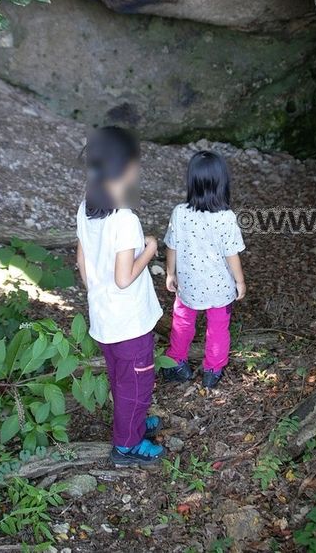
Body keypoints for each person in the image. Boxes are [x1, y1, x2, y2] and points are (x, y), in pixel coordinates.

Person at [75, 127, 165, 466]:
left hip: (104, 317)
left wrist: (96, 291)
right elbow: (125, 277)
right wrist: (151, 248)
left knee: (120, 378)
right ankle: (128, 444)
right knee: (137, 384)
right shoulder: (125, 220)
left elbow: (81, 260)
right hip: (129, 323)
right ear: (126, 167)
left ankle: (133, 422)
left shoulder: (86, 209)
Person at [162, 150, 246, 389]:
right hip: (220, 289)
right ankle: (212, 370)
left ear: (192, 181)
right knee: (218, 328)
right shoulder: (226, 218)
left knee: (182, 323)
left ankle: (177, 362)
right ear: (222, 182)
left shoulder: (180, 213)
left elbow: (172, 245)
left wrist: (170, 273)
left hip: (188, 285)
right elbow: (232, 255)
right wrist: (240, 282)